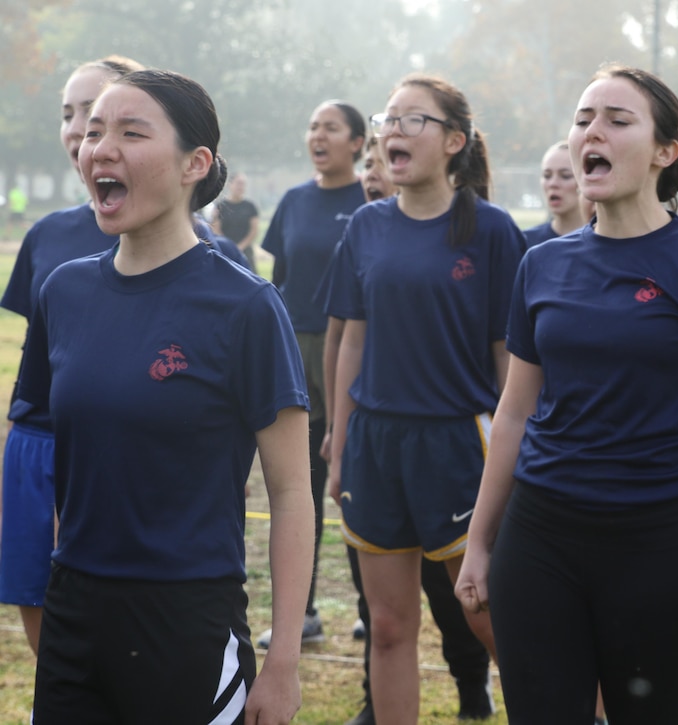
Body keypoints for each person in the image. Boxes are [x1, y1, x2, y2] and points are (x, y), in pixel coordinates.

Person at [456, 64, 678, 724]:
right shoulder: (542, 263)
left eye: (618, 120)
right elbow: (513, 411)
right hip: (539, 538)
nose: (592, 131)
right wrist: (482, 542)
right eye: (583, 119)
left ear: (665, 151)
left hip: (660, 543)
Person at [20, 68, 313, 725]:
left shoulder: (246, 305)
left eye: (131, 131)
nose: (101, 147)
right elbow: (57, 449)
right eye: (94, 131)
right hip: (74, 612)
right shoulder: (63, 293)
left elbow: (292, 491)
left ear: (194, 164)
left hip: (187, 623)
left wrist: (284, 660)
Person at [326, 73, 523, 725]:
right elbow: (351, 343)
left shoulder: (492, 231)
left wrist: (514, 451)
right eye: (389, 118)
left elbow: (509, 357)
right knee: (387, 628)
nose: (393, 131)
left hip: (459, 444)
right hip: (376, 446)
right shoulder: (364, 226)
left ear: (454, 142)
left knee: (487, 614)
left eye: (415, 120)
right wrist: (340, 442)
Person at [0, 56, 147, 659]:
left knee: (120, 628)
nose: (78, 130)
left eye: (94, 113)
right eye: (70, 116)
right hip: (39, 445)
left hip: (124, 452)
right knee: (40, 605)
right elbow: (33, 368)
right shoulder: (48, 235)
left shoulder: (188, 245)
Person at [258, 99, 368, 649]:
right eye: (312, 125)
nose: (317, 135)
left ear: (357, 142)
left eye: (330, 127)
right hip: (292, 349)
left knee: (349, 477)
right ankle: (300, 614)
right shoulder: (295, 201)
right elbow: (277, 278)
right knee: (295, 481)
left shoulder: (372, 199)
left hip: (350, 347)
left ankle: (370, 607)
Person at [522, 141, 583, 247]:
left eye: (565, 176)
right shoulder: (524, 242)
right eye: (547, 175)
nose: (553, 183)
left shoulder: (606, 241)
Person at [212, 172, 260, 269]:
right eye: (238, 183)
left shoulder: (250, 206)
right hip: (225, 251)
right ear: (230, 185)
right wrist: (230, 247)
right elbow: (216, 229)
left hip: (245, 251)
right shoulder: (221, 206)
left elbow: (254, 230)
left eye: (243, 184)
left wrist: (240, 247)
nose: (240, 187)